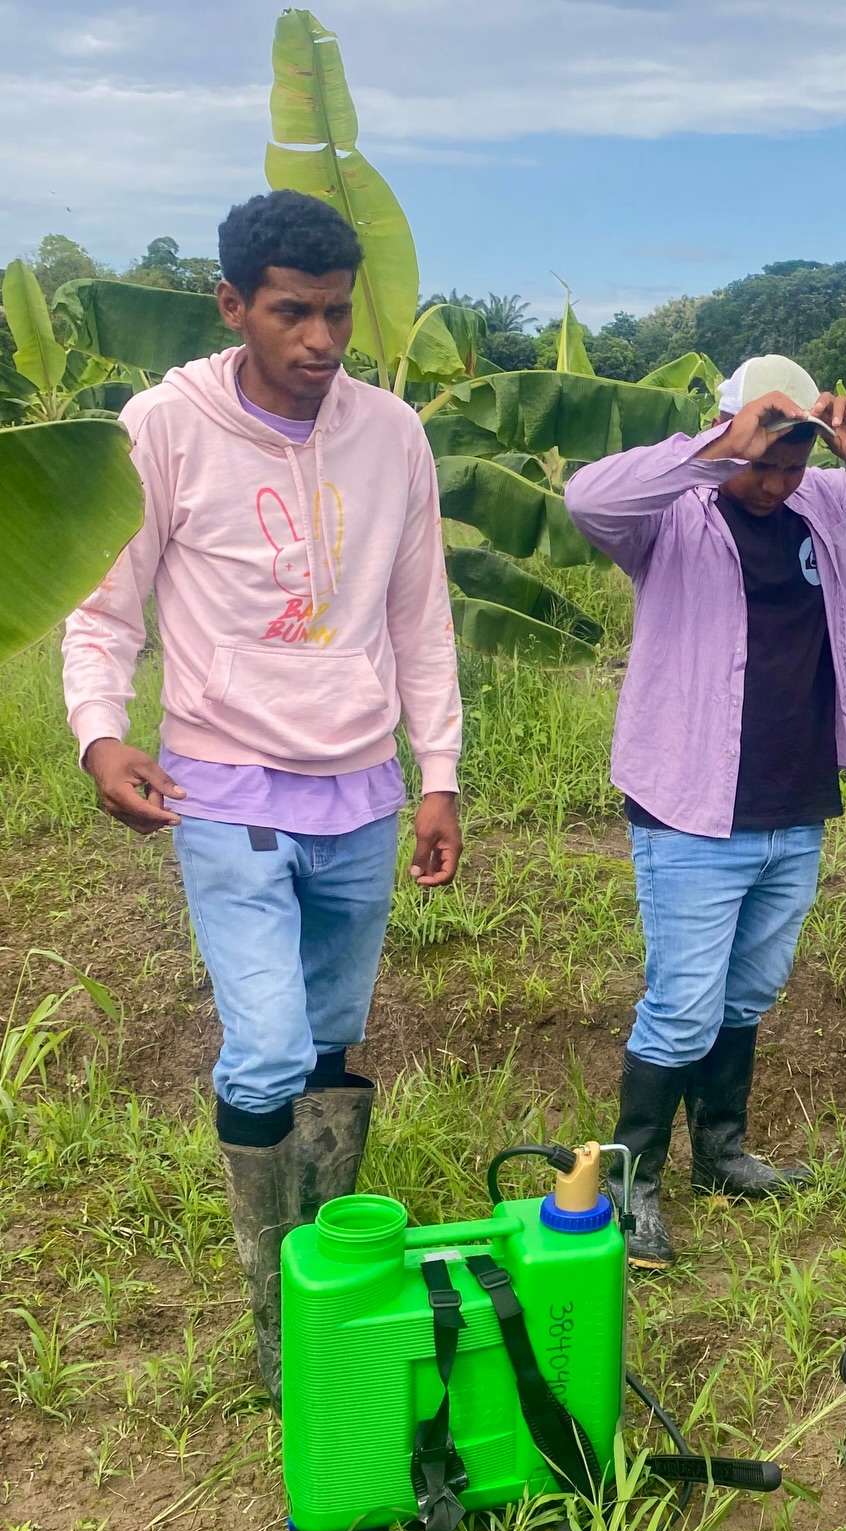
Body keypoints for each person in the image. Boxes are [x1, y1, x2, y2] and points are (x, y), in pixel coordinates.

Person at [62, 190, 463, 1401]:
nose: (322, 340)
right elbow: (103, 607)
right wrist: (99, 737)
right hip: (226, 781)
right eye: (293, 312)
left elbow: (420, 616)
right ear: (232, 304)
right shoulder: (164, 429)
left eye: (339, 313)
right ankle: (275, 1314)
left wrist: (437, 770)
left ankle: (330, 1277)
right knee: (269, 1045)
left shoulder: (391, 435)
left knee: (332, 1043)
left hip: (364, 789)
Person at [565, 355, 846, 1270]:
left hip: (795, 802)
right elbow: (587, 500)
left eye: (793, 465)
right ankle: (634, 1187)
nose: (777, 484)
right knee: (683, 1005)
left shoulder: (824, 503)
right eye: (762, 463)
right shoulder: (671, 514)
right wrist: (718, 448)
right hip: (693, 806)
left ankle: (725, 1152)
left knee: (748, 991)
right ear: (729, 436)